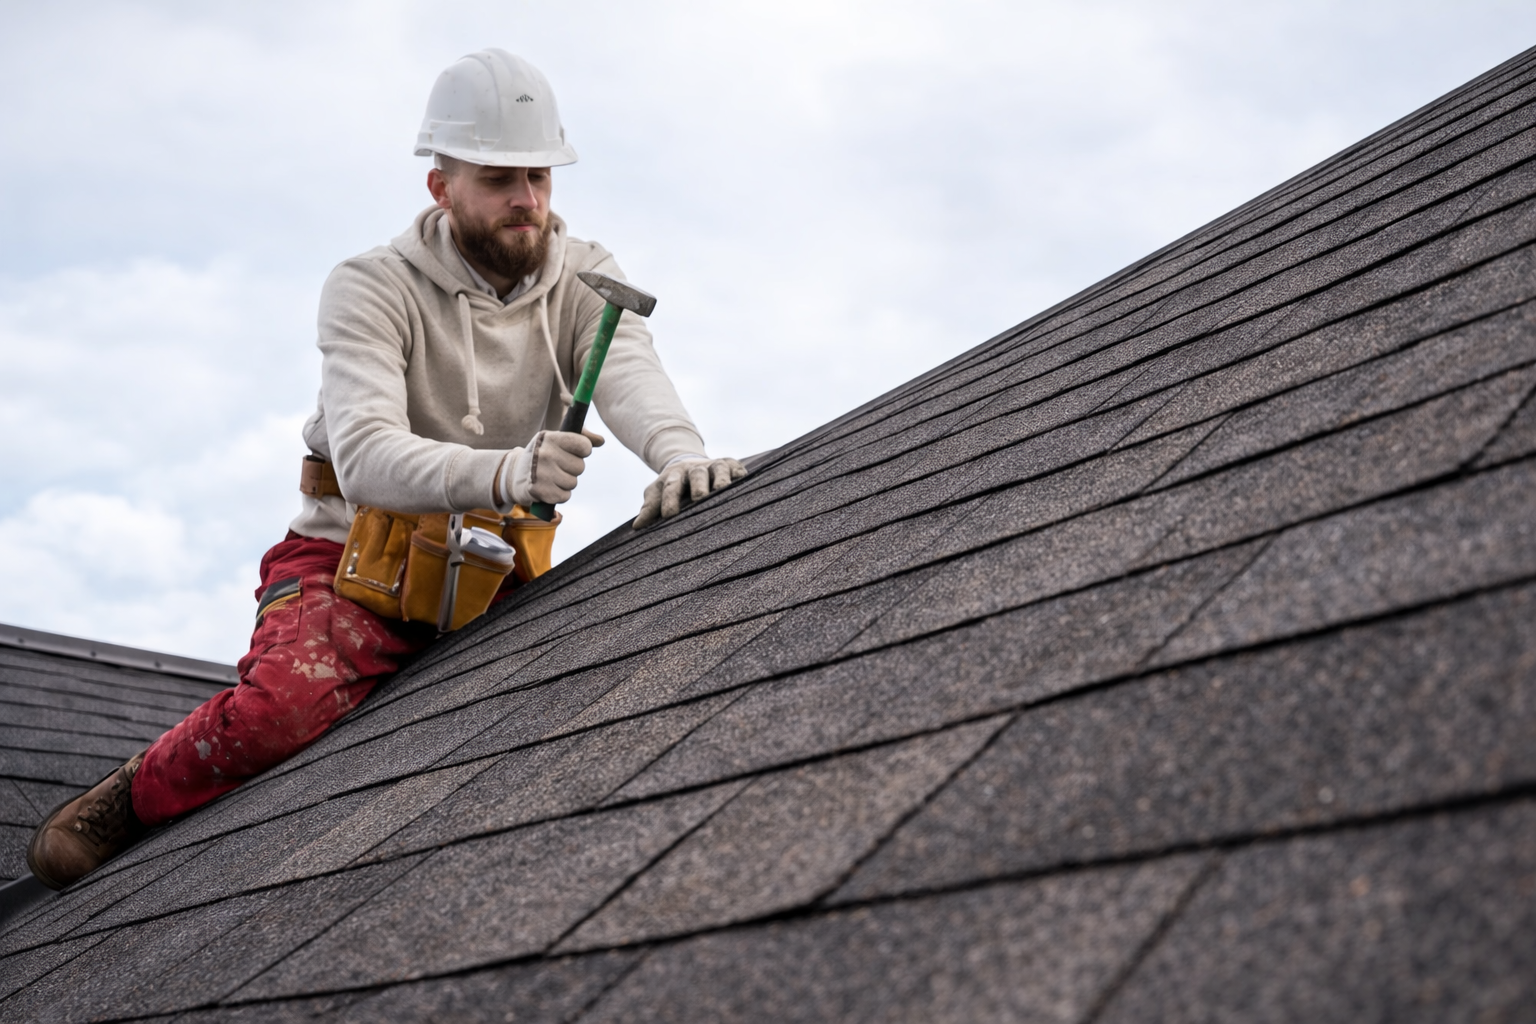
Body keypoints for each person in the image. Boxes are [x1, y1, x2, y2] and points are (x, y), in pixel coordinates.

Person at [27, 49, 745, 890]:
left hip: (485, 571)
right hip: (350, 563)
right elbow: (364, 455)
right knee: (279, 712)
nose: (528, 202)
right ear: (441, 189)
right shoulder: (371, 287)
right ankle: (128, 800)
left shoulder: (585, 276)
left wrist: (679, 455)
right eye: (500, 178)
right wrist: (511, 473)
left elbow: (627, 370)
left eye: (541, 178)